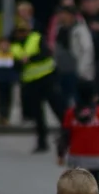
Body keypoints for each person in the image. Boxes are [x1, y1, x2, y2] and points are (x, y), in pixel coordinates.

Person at [10, 20, 64, 153]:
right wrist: (21, 63)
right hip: (31, 83)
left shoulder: (37, 38)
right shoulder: (15, 46)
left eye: (24, 31)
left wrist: (29, 59)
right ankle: (42, 142)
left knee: (58, 109)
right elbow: (15, 66)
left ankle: (69, 137)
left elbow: (45, 54)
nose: (22, 34)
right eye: (19, 31)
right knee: (38, 115)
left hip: (47, 78)